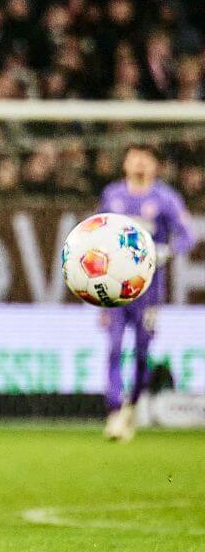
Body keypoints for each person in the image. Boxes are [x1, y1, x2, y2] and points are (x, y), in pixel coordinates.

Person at [98, 144, 196, 442]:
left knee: (142, 351)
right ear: (125, 164)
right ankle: (115, 410)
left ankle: (132, 405)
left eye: (145, 159)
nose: (139, 164)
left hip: (149, 290)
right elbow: (97, 233)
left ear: (155, 166)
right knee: (114, 346)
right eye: (134, 158)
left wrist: (168, 250)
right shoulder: (112, 195)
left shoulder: (165, 199)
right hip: (114, 286)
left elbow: (188, 235)